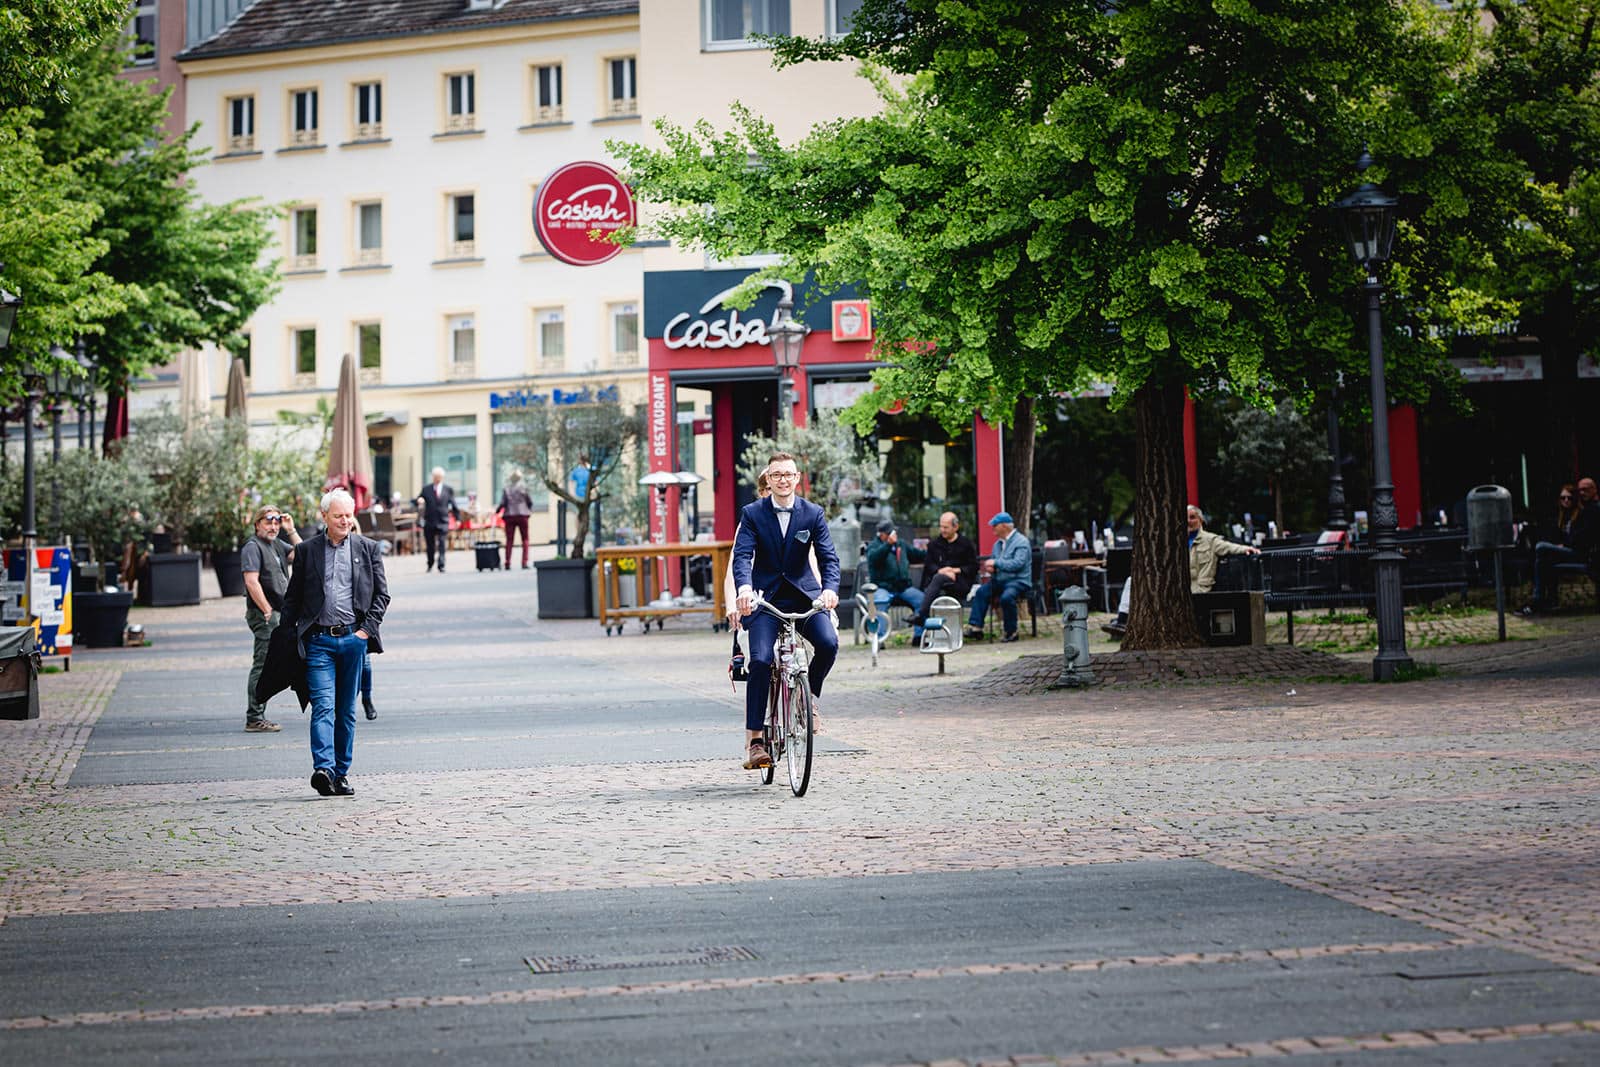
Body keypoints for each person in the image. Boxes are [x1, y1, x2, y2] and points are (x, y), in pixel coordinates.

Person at [732, 452, 840, 771]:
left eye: (788, 475)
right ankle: (755, 740)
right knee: (762, 659)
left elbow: (829, 558)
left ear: (797, 478)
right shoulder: (752, 513)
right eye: (776, 474)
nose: (783, 480)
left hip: (803, 596)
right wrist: (744, 589)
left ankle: (808, 700)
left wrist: (830, 589)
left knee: (828, 642)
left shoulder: (812, 513)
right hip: (765, 600)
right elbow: (742, 557)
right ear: (768, 478)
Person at [283, 489, 391, 798]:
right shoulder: (307, 551)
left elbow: (382, 596)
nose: (344, 521)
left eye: (348, 515)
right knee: (323, 706)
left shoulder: (368, 549)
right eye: (338, 516)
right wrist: (287, 636)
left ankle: (341, 773)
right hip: (318, 642)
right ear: (324, 517)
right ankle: (323, 769)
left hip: (353, 641)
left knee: (345, 711)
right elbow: (293, 599)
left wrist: (365, 633)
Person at [1104, 504, 1260, 638]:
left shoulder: (1211, 540)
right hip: (1173, 586)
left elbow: (1230, 547)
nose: (1188, 521)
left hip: (1196, 589)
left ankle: (1127, 623)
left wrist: (1248, 548)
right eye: (1185, 518)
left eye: (1193, 517)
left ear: (1201, 520)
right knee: (1132, 580)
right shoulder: (1174, 541)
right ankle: (1122, 620)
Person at [240, 505, 299, 732]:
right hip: (265, 614)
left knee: (274, 663)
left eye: (276, 522)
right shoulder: (253, 547)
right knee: (262, 664)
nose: (273, 526)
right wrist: (266, 610)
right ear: (257, 524)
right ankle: (254, 717)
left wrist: (290, 529)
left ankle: (258, 713)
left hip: (279, 613)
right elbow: (251, 581)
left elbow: (303, 553)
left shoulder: (275, 544)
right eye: (268, 522)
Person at [1524, 476, 1600, 613]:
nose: (1582, 493)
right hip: (1569, 551)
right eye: (1580, 490)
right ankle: (1544, 599)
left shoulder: (1589, 511)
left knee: (1541, 548)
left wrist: (1564, 544)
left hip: (1582, 553)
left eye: (1586, 490)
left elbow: (1584, 537)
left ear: (1594, 490)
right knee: (1543, 560)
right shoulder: (1562, 517)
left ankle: (1540, 599)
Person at [908, 511, 978, 641]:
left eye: (946, 527)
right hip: (938, 582)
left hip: (959, 582)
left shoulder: (966, 544)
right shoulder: (934, 544)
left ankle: (921, 614)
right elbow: (929, 565)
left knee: (938, 579)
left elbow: (973, 566)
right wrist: (941, 571)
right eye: (941, 526)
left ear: (955, 527)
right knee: (938, 578)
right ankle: (923, 619)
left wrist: (955, 570)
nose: (942, 530)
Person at [965, 512, 1031, 643]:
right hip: (1001, 580)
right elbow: (996, 562)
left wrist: (996, 563)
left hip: (1018, 581)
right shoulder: (998, 544)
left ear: (1004, 526)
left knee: (1006, 597)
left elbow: (1018, 564)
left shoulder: (1021, 542)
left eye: (995, 525)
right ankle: (976, 627)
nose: (993, 528)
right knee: (982, 592)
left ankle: (1011, 632)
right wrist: (992, 568)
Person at [864, 519, 924, 638]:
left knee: (922, 600)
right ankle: (880, 638)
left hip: (902, 587)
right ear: (883, 534)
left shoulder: (901, 544)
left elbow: (917, 555)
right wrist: (888, 545)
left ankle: (919, 636)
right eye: (892, 532)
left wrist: (931, 551)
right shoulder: (873, 546)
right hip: (882, 587)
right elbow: (874, 559)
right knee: (880, 601)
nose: (895, 534)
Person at [414, 467, 460, 573]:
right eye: (435, 477)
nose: (437, 479)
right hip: (429, 521)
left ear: (442, 478)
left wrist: (457, 518)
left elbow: (453, 504)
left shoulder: (448, 489)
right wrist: (419, 500)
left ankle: (441, 564)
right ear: (433, 477)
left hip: (443, 520)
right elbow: (417, 499)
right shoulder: (426, 489)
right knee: (430, 545)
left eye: (439, 477)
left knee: (442, 543)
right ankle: (430, 563)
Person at [497, 469, 535, 570]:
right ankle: (524, 562)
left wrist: (497, 511)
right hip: (522, 515)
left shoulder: (507, 489)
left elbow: (502, 503)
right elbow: (530, 501)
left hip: (509, 515)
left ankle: (507, 562)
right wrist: (529, 510)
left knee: (509, 540)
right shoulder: (524, 488)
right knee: (525, 539)